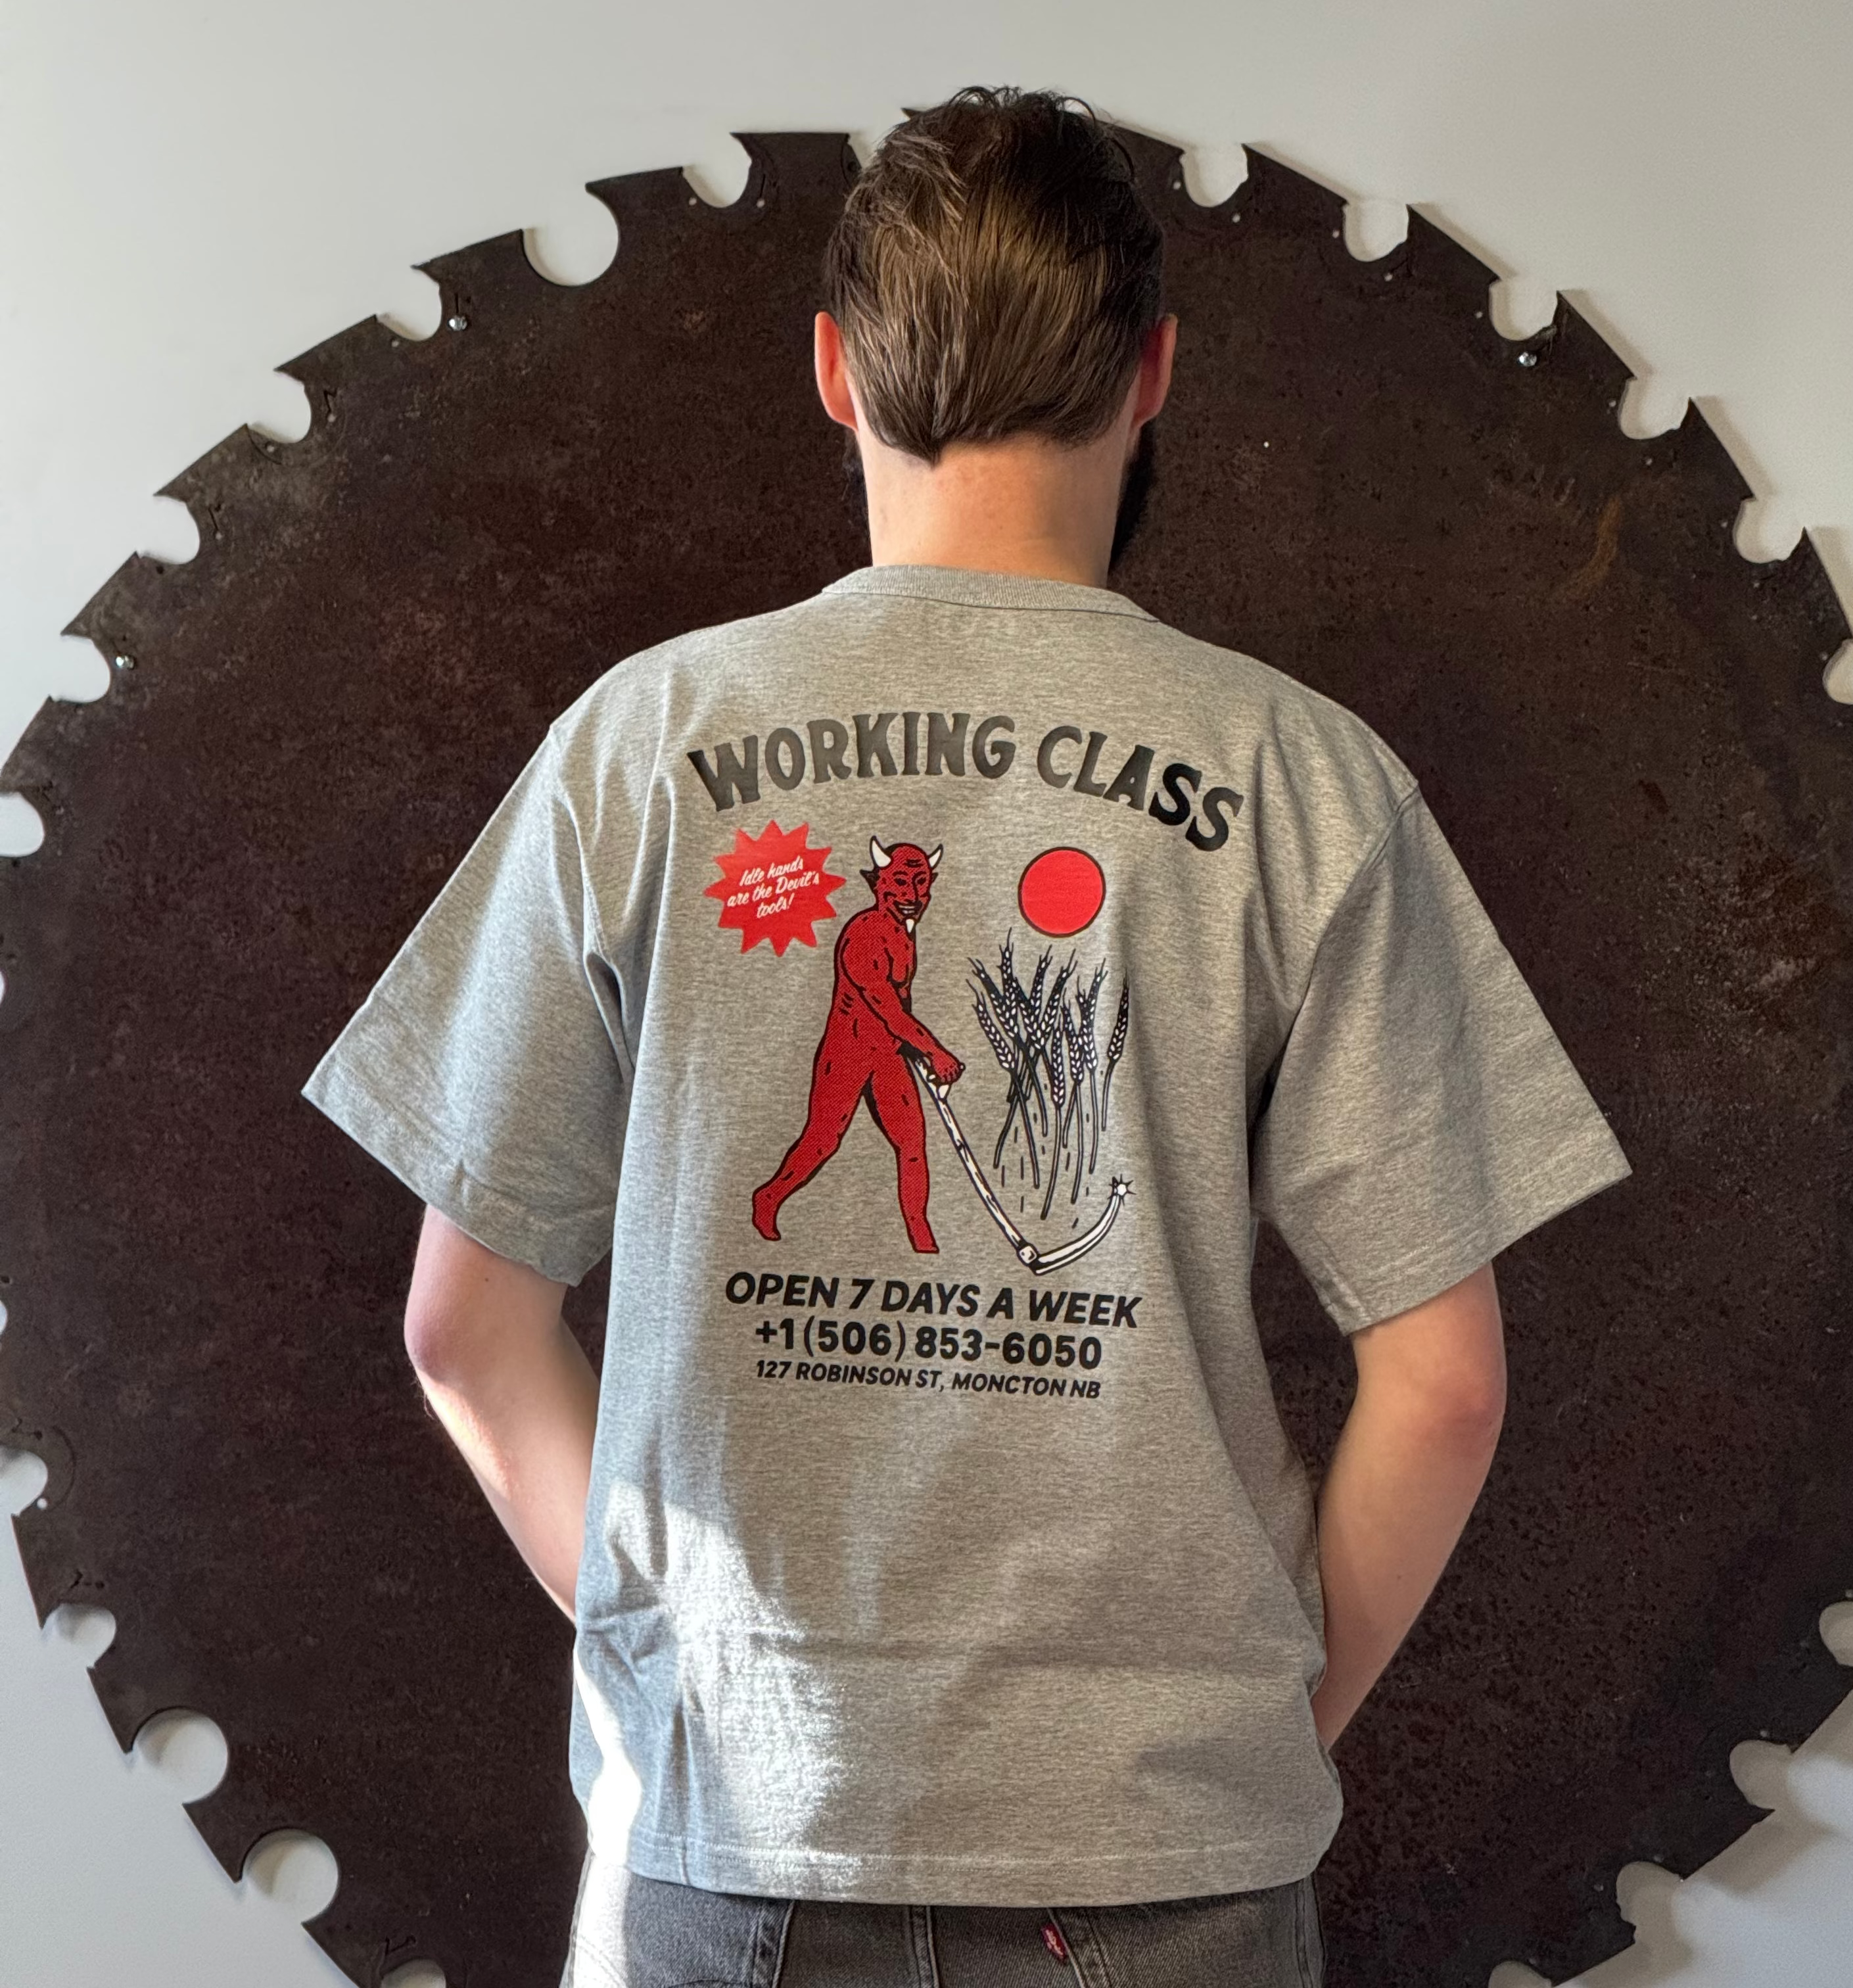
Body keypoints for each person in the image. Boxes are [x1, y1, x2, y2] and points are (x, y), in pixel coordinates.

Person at [301, 85, 1630, 1988]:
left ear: (836, 372)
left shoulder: (640, 742)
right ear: (1156, 372)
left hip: (737, 1834)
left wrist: (676, 1676)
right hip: (1174, 1857)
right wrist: (1230, 1750)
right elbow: (1447, 1386)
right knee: (866, 1156)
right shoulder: (1305, 782)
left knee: (882, 1166)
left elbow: (465, 1329)